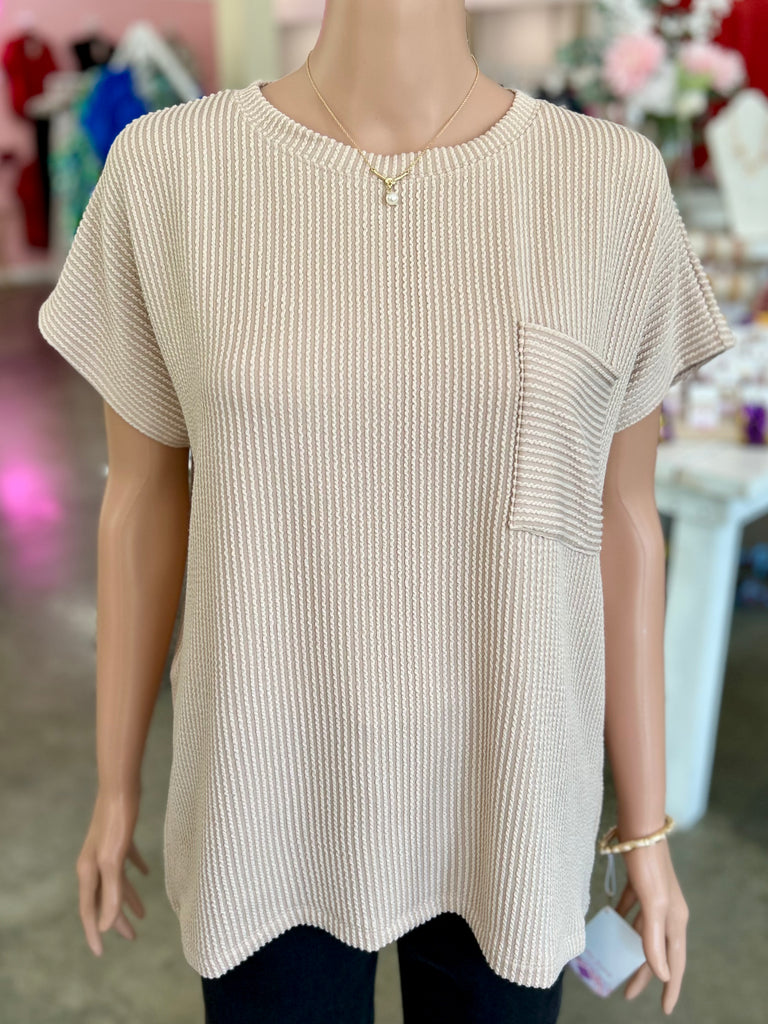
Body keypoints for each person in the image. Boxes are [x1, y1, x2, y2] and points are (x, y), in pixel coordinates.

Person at [38, 0, 736, 1020]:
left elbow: (623, 518)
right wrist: (117, 788)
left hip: (509, 788)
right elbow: (140, 497)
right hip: (266, 791)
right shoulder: (169, 173)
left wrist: (645, 827)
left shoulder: (608, 182)